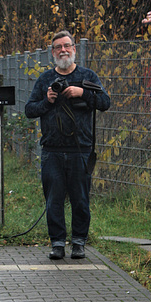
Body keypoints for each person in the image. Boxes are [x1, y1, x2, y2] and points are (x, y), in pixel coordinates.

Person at [25, 30, 110, 260]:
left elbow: (105, 102)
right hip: (51, 151)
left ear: (74, 49)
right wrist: (47, 100)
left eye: (67, 46)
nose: (63, 50)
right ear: (52, 53)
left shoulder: (87, 76)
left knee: (80, 200)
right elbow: (29, 110)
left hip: (80, 150)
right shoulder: (45, 80)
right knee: (53, 200)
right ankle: (58, 244)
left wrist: (83, 92)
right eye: (58, 47)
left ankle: (79, 242)